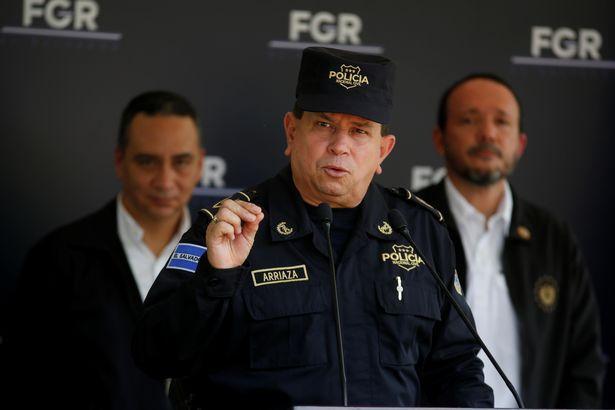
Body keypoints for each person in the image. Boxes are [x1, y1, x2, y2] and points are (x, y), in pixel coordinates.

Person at [132, 47, 493, 409]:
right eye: (324, 125)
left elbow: (458, 369)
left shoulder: (420, 232)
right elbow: (155, 355)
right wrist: (217, 277)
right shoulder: (229, 227)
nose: (340, 146)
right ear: (291, 132)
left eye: (359, 131)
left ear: (383, 151)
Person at [417, 73, 606, 408]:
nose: (488, 133)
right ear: (439, 139)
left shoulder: (553, 237)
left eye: (502, 122)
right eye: (469, 120)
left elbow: (583, 362)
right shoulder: (408, 225)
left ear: (520, 144)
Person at [11, 91, 204, 409]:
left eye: (181, 162)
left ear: (200, 164)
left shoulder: (225, 258)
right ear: (119, 161)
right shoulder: (57, 258)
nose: (165, 181)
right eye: (147, 161)